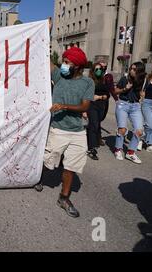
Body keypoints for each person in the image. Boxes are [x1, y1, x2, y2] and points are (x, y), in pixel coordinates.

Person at [35, 47, 94, 218]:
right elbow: (47, 61)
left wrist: (64, 106)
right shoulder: (59, 76)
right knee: (49, 161)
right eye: (64, 61)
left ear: (77, 66)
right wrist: (46, 32)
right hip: (58, 129)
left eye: (68, 62)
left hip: (77, 132)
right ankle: (37, 178)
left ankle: (64, 198)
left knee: (71, 166)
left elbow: (85, 106)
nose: (64, 65)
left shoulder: (87, 83)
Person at [114, 62, 146, 164]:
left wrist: (142, 95)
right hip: (123, 105)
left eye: (134, 69)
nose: (131, 70)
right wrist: (125, 89)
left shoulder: (143, 80)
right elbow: (115, 91)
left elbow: (143, 92)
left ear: (139, 71)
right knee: (122, 129)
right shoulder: (125, 79)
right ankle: (118, 149)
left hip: (135, 106)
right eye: (131, 68)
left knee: (139, 131)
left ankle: (130, 152)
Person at [85, 63, 110, 160]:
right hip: (92, 105)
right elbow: (85, 94)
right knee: (93, 125)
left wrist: (102, 97)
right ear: (93, 71)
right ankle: (91, 148)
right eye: (97, 69)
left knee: (96, 124)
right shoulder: (89, 81)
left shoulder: (103, 80)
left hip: (102, 106)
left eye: (100, 69)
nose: (99, 71)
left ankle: (90, 142)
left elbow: (108, 94)